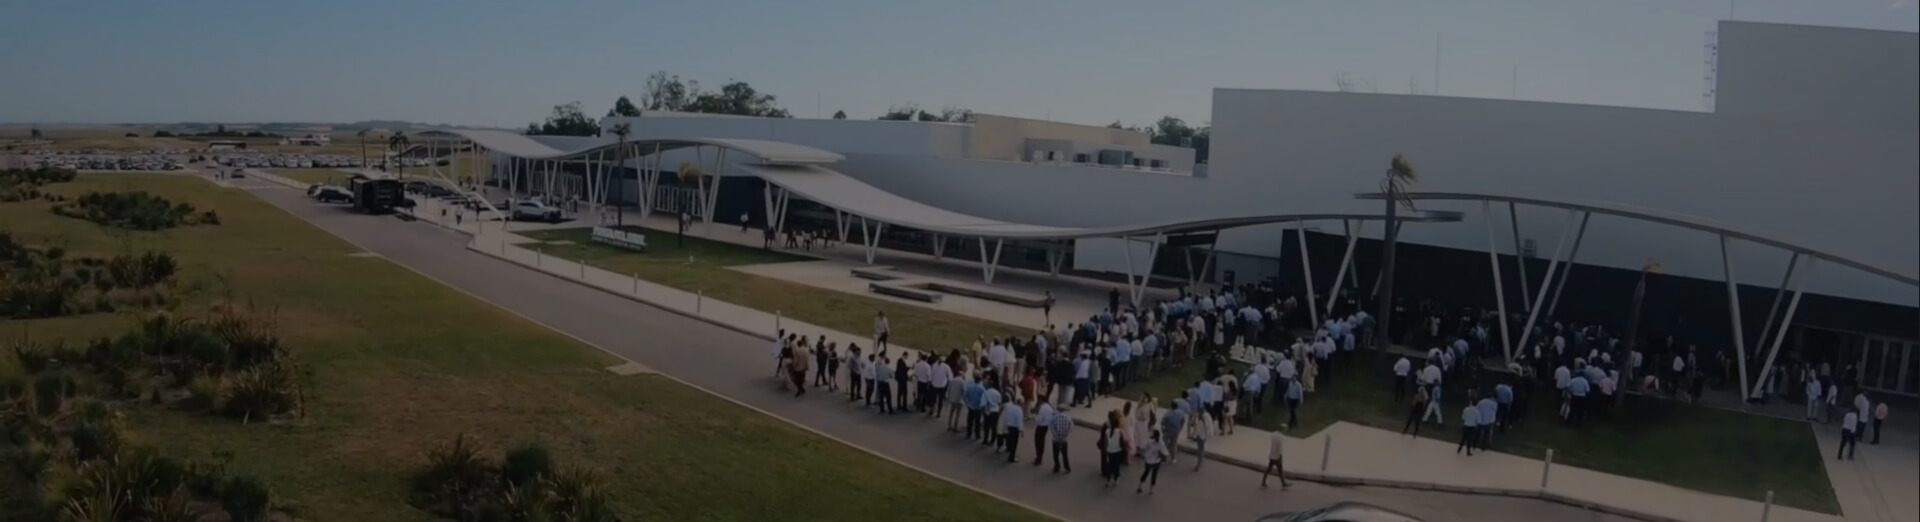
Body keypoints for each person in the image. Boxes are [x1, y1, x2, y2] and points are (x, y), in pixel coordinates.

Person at [1136, 430, 1169, 494]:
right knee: (1154, 474)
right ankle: (1151, 489)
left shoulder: (1149, 441)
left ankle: (1140, 486)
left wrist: (1140, 450)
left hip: (1149, 460)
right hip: (1157, 461)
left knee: (1146, 473)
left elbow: (1143, 448)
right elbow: (1165, 452)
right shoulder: (1160, 442)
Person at [1100, 411, 1126, 487]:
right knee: (1116, 465)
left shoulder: (1107, 431)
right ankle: (1116, 479)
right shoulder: (1119, 431)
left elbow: (1105, 442)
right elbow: (1122, 441)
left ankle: (1108, 481)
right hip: (1117, 450)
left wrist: (1105, 450)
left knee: (1110, 465)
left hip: (1110, 450)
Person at [1050, 401, 1074, 473]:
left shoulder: (1054, 418)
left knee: (1055, 454)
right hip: (1064, 439)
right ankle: (1067, 468)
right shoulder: (1068, 418)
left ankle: (1057, 467)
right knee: (1065, 454)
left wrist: (1057, 435)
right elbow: (1070, 428)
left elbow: (1052, 428)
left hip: (1055, 439)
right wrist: (1065, 435)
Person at [1001, 396, 1025, 463]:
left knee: (1009, 440)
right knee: (1014, 443)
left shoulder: (1010, 407)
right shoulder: (1019, 410)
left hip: (1009, 426)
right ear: (1020, 404)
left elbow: (1006, 417)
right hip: (1015, 428)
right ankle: (1012, 457)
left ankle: (1008, 449)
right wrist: (1021, 430)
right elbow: (1019, 421)